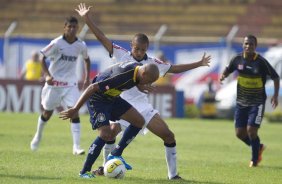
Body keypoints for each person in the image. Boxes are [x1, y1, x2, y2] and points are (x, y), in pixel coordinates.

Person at [75, 3, 211, 180]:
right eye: (136, 48)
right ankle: (105, 166)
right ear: (131, 45)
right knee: (109, 134)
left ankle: (173, 176)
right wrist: (87, 19)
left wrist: (198, 64)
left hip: (142, 106)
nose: (139, 52)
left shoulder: (153, 64)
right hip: (121, 102)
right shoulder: (122, 54)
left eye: (143, 50)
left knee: (168, 135)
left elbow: (174, 68)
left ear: (147, 49)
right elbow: (102, 38)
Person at [59, 62, 160, 178]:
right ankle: (84, 172)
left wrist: (142, 86)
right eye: (148, 81)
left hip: (113, 98)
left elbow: (135, 79)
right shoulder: (121, 76)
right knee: (105, 134)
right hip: (98, 100)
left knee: (139, 121)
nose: (149, 83)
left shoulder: (140, 69)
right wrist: (75, 109)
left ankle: (116, 154)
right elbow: (92, 87)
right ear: (144, 73)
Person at [30, 16, 91, 155]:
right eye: (69, 26)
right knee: (47, 113)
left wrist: (87, 77)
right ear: (65, 27)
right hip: (54, 84)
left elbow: (87, 59)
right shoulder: (56, 43)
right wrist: (47, 75)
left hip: (70, 84)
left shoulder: (80, 45)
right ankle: (38, 135)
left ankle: (76, 147)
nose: (72, 29)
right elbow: (42, 57)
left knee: (74, 111)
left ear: (78, 28)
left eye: (74, 27)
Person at [220, 35, 280, 167]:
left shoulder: (261, 62)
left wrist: (275, 96)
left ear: (255, 46)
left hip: (257, 102)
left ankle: (254, 160)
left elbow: (276, 77)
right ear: (243, 45)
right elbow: (228, 68)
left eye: (251, 44)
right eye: (246, 44)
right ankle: (259, 147)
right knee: (239, 133)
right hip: (241, 102)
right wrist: (223, 76)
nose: (248, 46)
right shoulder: (237, 59)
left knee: (251, 131)